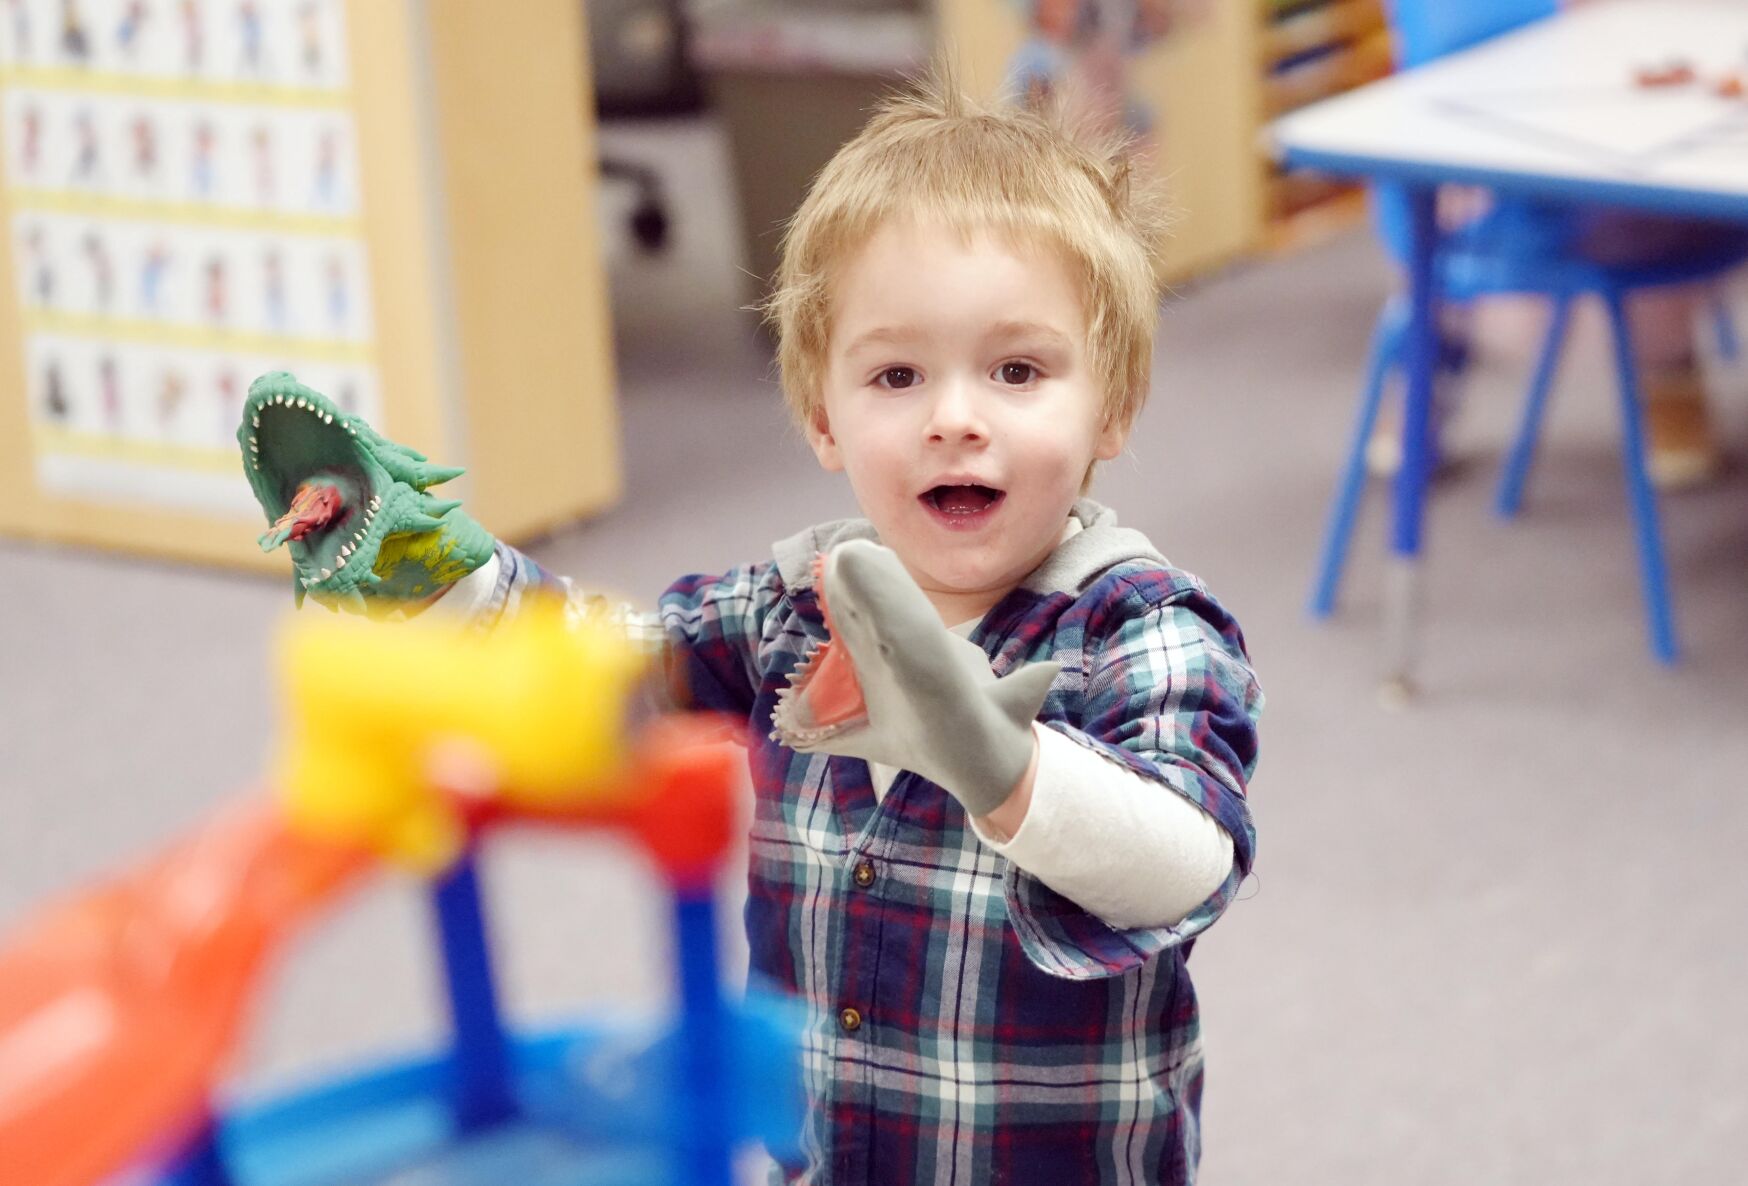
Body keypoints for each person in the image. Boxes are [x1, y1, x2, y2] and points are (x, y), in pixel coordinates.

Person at [245, 73, 1262, 1185]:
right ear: (823, 417)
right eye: (895, 374)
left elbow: (1182, 864)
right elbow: (605, 670)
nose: (954, 416)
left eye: (1016, 370)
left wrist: (994, 756)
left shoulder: (1144, 628)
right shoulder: (790, 602)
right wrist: (445, 581)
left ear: (1109, 404)